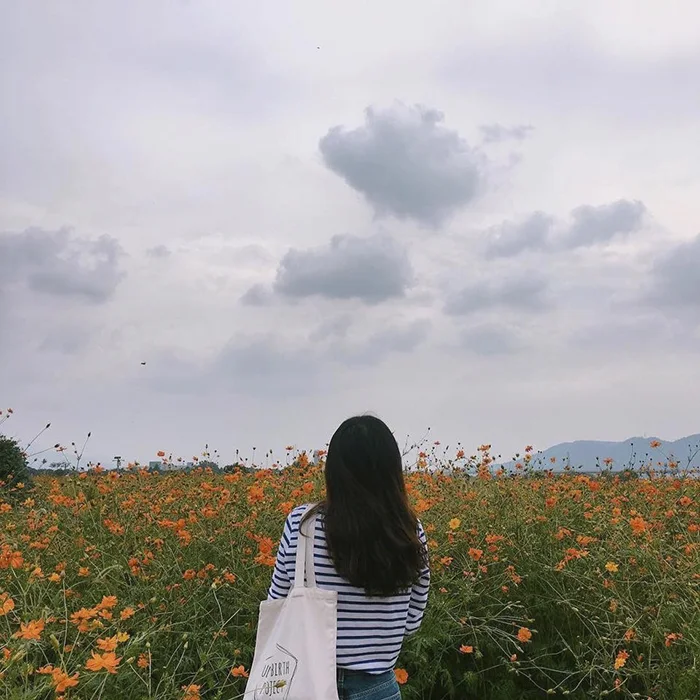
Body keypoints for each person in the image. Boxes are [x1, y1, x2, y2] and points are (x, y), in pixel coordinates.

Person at [268, 414, 431, 700]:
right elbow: (412, 622)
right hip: (378, 688)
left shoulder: (302, 525)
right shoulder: (409, 530)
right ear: (392, 470)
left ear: (334, 470)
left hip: (306, 685)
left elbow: (278, 604)